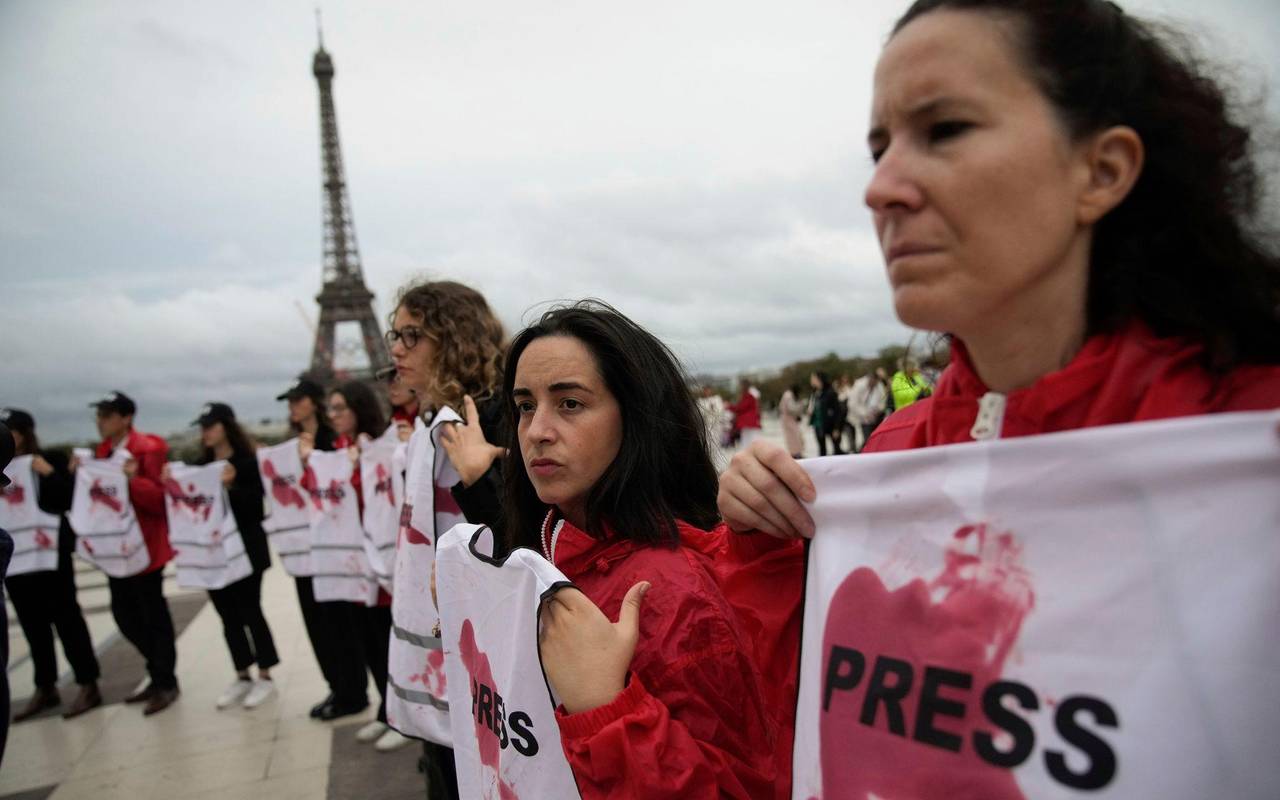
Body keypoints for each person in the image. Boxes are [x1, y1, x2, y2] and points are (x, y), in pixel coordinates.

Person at [717, 0, 1280, 543]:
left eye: (946, 130)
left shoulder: (1257, 441)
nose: (879, 190)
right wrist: (769, 548)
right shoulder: (894, 455)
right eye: (879, 151)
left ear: (1102, 171)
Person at [503, 301, 799, 799]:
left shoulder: (673, 590)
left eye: (570, 403)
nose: (537, 431)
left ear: (636, 418)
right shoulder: (550, 547)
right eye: (525, 406)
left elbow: (742, 790)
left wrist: (608, 711)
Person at [386, 279, 508, 800]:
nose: (395, 348)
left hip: (492, 653)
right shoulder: (429, 425)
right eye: (393, 335)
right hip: (445, 647)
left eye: (411, 335)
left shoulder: (500, 417)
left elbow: (529, 544)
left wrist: (481, 478)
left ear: (453, 336)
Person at [80, 391, 180, 715]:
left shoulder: (148, 449)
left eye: (107, 415)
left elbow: (160, 500)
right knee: (125, 616)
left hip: (145, 547)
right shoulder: (104, 451)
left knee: (153, 615)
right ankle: (158, 669)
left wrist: (132, 480)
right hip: (118, 550)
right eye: (99, 414)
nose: (100, 421)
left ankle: (165, 680)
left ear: (126, 418)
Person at [324, 381, 411, 752]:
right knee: (369, 640)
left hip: (384, 557)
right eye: (331, 409)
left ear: (359, 408)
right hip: (356, 561)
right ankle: (384, 708)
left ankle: (403, 715)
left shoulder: (384, 444)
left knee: (389, 639)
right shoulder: (340, 448)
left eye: (340, 407)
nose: (333, 415)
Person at [2, 408, 102, 721]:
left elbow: (69, 499)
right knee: (33, 626)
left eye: (15, 431)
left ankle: (87, 682)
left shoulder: (50, 460)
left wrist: (48, 473)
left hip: (50, 557)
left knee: (67, 619)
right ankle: (45, 686)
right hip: (17, 562)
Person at [188, 403, 279, 711]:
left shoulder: (246, 462)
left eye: (210, 425)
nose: (206, 432)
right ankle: (242, 673)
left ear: (225, 426)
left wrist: (232, 486)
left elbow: (256, 506)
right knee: (227, 614)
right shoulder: (200, 466)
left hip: (246, 548)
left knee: (250, 609)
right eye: (202, 427)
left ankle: (264, 674)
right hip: (214, 551)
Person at [275, 377, 349, 720]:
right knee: (315, 623)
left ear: (312, 401)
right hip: (304, 543)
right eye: (289, 400)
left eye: (297, 399)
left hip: (332, 541)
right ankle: (336, 685)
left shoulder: (332, 440)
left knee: (335, 621)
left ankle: (349, 690)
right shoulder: (291, 446)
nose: (292, 406)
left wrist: (312, 461)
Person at [847, 370, 888, 452]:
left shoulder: (879, 385)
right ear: (868, 379)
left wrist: (878, 410)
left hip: (876, 416)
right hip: (863, 417)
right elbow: (852, 404)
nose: (873, 383)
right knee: (867, 439)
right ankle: (863, 453)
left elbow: (883, 400)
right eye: (871, 381)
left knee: (876, 438)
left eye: (875, 382)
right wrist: (865, 414)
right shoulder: (859, 385)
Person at [807, 371, 843, 456]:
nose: (811, 381)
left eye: (813, 378)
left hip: (830, 424)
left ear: (819, 379)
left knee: (837, 449)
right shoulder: (815, 393)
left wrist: (836, 428)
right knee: (822, 449)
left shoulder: (830, 393)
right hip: (818, 424)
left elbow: (838, 411)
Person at [726, 379, 761, 448]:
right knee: (750, 441)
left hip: (748, 422)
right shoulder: (751, 395)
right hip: (750, 422)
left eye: (741, 386)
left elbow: (741, 407)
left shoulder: (749, 396)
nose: (740, 388)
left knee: (749, 442)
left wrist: (729, 406)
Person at [778, 383, 806, 458]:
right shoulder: (788, 395)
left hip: (789, 420)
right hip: (788, 420)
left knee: (794, 437)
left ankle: (796, 453)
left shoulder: (788, 394)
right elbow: (791, 408)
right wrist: (801, 405)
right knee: (794, 437)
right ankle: (796, 454)